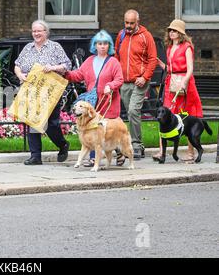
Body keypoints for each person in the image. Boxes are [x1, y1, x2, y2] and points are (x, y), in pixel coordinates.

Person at [14, 19, 70, 165]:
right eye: (34, 31)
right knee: (32, 121)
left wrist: (52, 67)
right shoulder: (28, 48)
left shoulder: (55, 47)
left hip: (51, 91)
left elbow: (67, 65)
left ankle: (62, 145)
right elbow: (17, 65)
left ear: (46, 32)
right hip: (32, 91)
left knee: (51, 124)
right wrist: (20, 75)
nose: (36, 34)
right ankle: (35, 156)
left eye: (39, 31)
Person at [65, 30, 124, 167]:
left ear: (109, 46)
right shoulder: (89, 61)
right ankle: (94, 158)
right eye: (99, 43)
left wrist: (111, 85)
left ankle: (119, 151)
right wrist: (65, 73)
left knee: (109, 129)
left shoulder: (113, 62)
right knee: (94, 128)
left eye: (105, 44)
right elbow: (78, 75)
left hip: (109, 102)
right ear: (95, 45)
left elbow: (120, 79)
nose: (102, 46)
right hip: (93, 103)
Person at [153, 19, 203, 163]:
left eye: (174, 30)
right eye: (170, 30)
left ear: (181, 33)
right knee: (165, 115)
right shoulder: (169, 48)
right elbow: (170, 69)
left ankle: (190, 152)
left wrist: (184, 82)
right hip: (172, 84)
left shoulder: (186, 47)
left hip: (185, 85)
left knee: (188, 116)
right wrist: (161, 64)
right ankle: (162, 151)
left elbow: (190, 69)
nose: (171, 32)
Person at [115, 9, 157, 160]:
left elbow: (153, 59)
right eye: (126, 22)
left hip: (139, 82)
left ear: (137, 22)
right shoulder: (121, 35)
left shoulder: (146, 36)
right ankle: (135, 145)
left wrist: (145, 77)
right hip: (124, 83)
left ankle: (137, 145)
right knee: (131, 113)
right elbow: (116, 56)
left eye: (132, 23)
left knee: (133, 111)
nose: (129, 26)